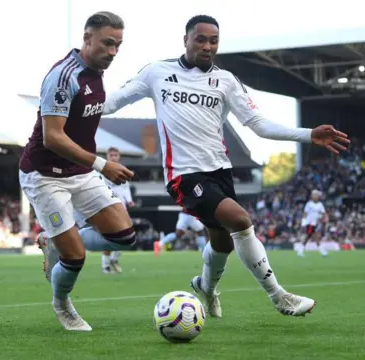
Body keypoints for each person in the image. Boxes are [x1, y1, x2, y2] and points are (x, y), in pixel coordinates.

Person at [102, 15, 349, 318]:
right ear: (186, 40)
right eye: (201, 39)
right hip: (183, 174)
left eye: (213, 41)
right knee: (241, 221)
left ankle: (205, 287)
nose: (207, 46)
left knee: (221, 244)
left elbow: (257, 124)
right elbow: (112, 102)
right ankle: (279, 296)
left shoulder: (226, 81)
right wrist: (74, 105)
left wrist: (308, 135)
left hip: (220, 171)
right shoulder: (157, 73)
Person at [19, 11, 138, 332]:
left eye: (118, 45)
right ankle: (63, 305)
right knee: (75, 258)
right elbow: (52, 137)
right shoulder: (63, 76)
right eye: (107, 43)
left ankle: (56, 241)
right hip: (44, 175)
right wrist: (102, 164)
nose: (113, 52)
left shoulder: (97, 71)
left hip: (79, 172)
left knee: (125, 237)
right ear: (87, 39)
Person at [100, 147, 134, 274]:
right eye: (111, 155)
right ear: (107, 156)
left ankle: (114, 259)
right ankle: (106, 265)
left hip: (122, 206)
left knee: (127, 235)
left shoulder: (122, 169)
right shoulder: (102, 170)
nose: (114, 157)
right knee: (110, 237)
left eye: (116, 155)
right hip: (108, 206)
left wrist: (129, 200)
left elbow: (125, 187)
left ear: (119, 156)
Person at [298, 190, 328, 257]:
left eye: (316, 195)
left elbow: (323, 213)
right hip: (310, 223)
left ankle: (300, 250)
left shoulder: (320, 204)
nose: (315, 197)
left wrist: (323, 217)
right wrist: (303, 222)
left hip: (316, 223)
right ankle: (322, 251)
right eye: (314, 195)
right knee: (315, 236)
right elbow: (305, 213)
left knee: (309, 237)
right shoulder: (309, 204)